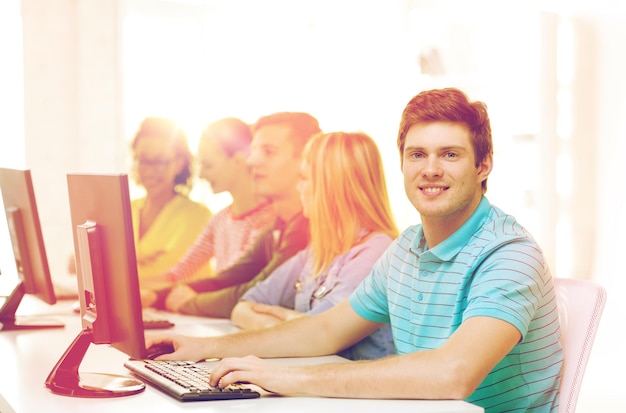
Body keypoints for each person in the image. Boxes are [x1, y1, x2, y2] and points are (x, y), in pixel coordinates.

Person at [146, 88, 564, 412]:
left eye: (450, 154)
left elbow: (452, 374)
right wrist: (206, 349)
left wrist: (286, 378)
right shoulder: (407, 247)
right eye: (417, 154)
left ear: (483, 165)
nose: (431, 169)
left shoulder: (509, 255)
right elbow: (326, 329)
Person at [231, 132, 399, 360]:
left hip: (363, 390)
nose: (299, 187)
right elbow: (243, 306)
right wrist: (279, 325)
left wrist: (289, 325)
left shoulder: (375, 251)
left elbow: (323, 332)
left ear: (331, 185)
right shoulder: (318, 251)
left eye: (304, 177)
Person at [141, 112, 321, 317]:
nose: (252, 161)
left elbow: (255, 292)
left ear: (306, 160)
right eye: (253, 151)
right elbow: (232, 277)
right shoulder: (279, 225)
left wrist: (190, 303)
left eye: (269, 152)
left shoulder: (305, 226)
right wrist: (158, 297)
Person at [140, 117, 275, 290]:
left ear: (238, 161)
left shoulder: (267, 222)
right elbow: (178, 274)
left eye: (208, 165)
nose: (202, 175)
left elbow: (234, 285)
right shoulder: (219, 221)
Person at [130, 117, 212, 289]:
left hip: (179, 311)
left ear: (179, 164)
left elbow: (168, 275)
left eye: (160, 161)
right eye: (144, 161)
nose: (150, 170)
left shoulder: (198, 216)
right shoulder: (124, 210)